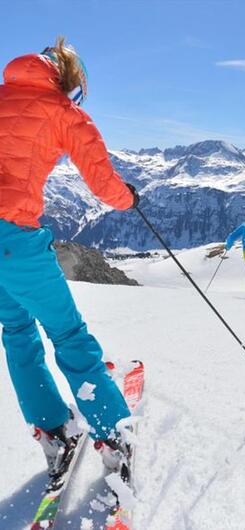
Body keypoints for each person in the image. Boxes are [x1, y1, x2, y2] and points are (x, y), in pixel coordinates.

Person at [0, 37, 139, 476]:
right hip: (15, 239)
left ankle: (53, 430)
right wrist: (127, 199)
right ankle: (114, 436)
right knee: (68, 335)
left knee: (17, 329)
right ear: (66, 80)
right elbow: (102, 181)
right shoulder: (65, 112)